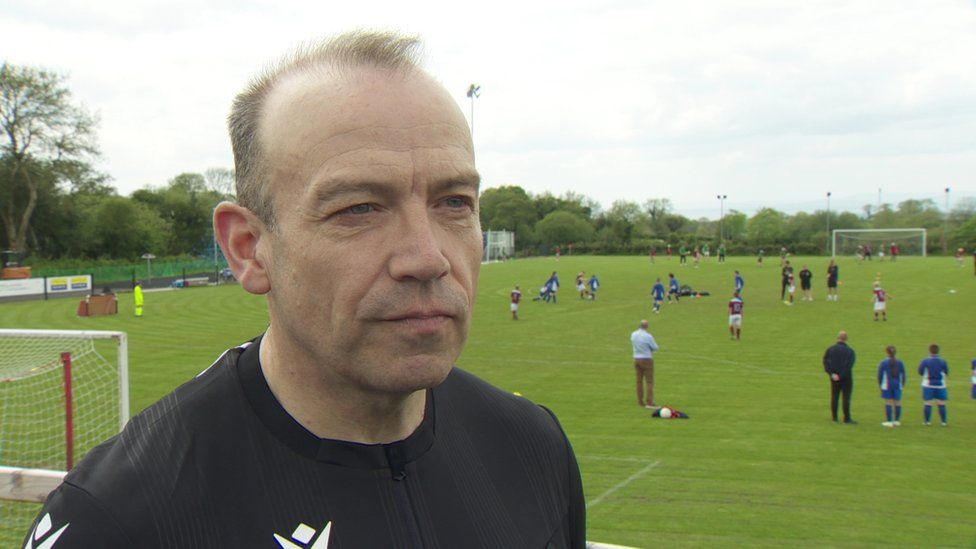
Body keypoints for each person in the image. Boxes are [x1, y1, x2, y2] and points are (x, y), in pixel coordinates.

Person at [27, 31, 584, 547]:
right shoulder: (121, 518)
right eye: (359, 208)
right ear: (249, 248)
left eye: (454, 202)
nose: (428, 257)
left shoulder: (532, 445)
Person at [823, 331, 857, 424]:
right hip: (846, 378)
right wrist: (841, 375)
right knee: (846, 398)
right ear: (846, 339)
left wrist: (832, 374)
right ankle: (847, 418)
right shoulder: (850, 351)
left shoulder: (830, 349)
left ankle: (834, 418)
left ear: (837, 338)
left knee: (834, 396)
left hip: (834, 377)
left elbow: (826, 362)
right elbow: (849, 365)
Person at [630, 319, 659, 409]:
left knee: (639, 381)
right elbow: (655, 347)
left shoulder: (633, 334)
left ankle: (640, 401)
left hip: (636, 358)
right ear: (647, 326)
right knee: (649, 381)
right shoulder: (648, 336)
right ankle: (649, 402)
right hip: (646, 358)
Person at [919, 344, 949, 426]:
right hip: (940, 385)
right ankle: (943, 422)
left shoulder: (925, 361)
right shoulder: (943, 361)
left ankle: (927, 422)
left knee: (927, 403)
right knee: (941, 403)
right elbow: (946, 372)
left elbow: (920, 372)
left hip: (928, 385)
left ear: (929, 351)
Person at [877, 345, 906, 427]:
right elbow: (903, 375)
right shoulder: (900, 362)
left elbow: (880, 375)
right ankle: (896, 421)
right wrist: (902, 385)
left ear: (887, 353)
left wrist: (880, 385)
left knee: (888, 402)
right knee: (897, 402)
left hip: (887, 385)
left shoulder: (883, 362)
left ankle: (889, 421)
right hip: (897, 385)